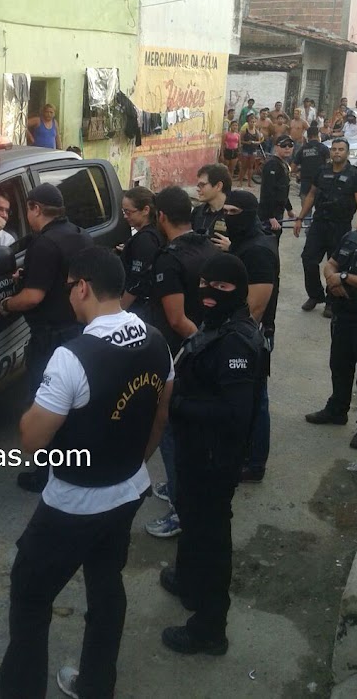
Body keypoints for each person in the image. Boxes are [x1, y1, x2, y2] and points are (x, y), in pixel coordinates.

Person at [0, 247, 173, 699]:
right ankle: (97, 685)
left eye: (69, 288)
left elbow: (31, 440)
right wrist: (131, 461)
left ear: (82, 287)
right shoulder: (156, 339)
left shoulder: (72, 356)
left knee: (31, 599)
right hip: (129, 490)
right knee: (106, 585)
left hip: (74, 503)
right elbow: (159, 415)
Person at [160, 252, 263, 656]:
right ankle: (187, 580)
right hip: (195, 451)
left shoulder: (236, 340)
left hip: (213, 457)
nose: (208, 292)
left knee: (211, 538)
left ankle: (208, 629)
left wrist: (176, 408)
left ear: (237, 291)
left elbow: (234, 414)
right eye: (205, 284)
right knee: (191, 518)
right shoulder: (217, 324)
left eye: (220, 287)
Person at [0, 183, 92, 492]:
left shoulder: (44, 244)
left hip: (50, 338)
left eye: (28, 209)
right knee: (73, 403)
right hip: (77, 329)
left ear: (35, 208)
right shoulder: (78, 234)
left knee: (44, 404)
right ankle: (72, 464)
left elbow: (33, 297)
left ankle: (43, 475)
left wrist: (6, 304)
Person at [146, 187, 216, 539]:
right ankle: (177, 488)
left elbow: (175, 319)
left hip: (180, 358)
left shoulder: (169, 258)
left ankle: (180, 506)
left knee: (171, 430)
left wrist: (199, 346)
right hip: (201, 350)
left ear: (160, 217)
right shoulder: (207, 246)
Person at [305, 196, 357, 449]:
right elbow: (329, 264)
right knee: (339, 365)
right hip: (344, 316)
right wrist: (333, 279)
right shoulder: (350, 237)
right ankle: (337, 410)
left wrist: (343, 277)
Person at [219, 192, 278, 483]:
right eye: (225, 210)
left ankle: (255, 464)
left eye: (234, 211)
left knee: (256, 400)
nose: (228, 216)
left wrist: (230, 339)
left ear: (249, 213)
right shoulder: (244, 242)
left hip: (252, 336)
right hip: (240, 333)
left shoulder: (259, 250)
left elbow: (256, 306)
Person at [295, 138, 357, 318]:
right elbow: (311, 195)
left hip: (340, 226)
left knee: (336, 265)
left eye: (341, 149)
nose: (337, 152)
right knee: (309, 259)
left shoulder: (355, 176)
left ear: (347, 153)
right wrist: (300, 217)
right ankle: (315, 295)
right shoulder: (322, 171)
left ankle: (331, 301)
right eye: (334, 149)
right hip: (319, 223)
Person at [119, 187, 163, 320]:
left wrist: (120, 310)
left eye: (129, 212)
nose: (125, 216)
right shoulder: (155, 233)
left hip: (138, 309)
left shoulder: (145, 239)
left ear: (145, 210)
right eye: (123, 211)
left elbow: (137, 281)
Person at [258, 134, 296, 237]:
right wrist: (270, 217)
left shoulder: (284, 164)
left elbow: (283, 190)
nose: (287, 148)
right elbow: (267, 191)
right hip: (269, 214)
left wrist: (289, 209)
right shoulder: (272, 164)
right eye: (284, 145)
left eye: (290, 145)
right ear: (276, 147)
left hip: (278, 212)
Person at [292, 124, 330, 222]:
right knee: (321, 209)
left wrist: (300, 170)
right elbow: (329, 165)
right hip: (321, 183)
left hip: (305, 183)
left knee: (306, 210)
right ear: (318, 135)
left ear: (307, 137)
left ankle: (307, 228)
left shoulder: (302, 149)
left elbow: (293, 167)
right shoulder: (324, 148)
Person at [191, 163, 232, 240]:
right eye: (198, 185)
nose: (198, 189)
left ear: (218, 186)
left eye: (202, 185)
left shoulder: (236, 212)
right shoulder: (197, 212)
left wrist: (233, 247)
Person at [238, 113, 262, 188]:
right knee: (243, 166)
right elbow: (240, 141)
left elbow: (259, 141)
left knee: (251, 166)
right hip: (245, 149)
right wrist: (246, 142)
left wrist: (255, 142)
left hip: (253, 150)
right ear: (248, 122)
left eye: (254, 122)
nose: (252, 123)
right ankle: (240, 182)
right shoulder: (245, 130)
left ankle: (249, 182)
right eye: (251, 122)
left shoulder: (256, 131)